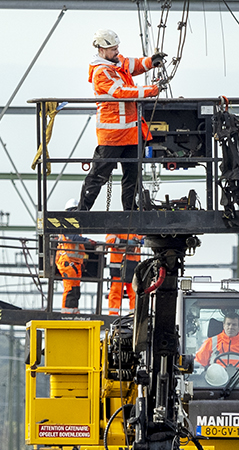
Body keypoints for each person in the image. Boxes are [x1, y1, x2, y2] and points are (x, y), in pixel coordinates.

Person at [77, 29, 164, 211]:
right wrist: (151, 90)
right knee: (99, 175)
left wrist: (151, 61)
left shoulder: (117, 62)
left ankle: (130, 211)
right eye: (113, 49)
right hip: (113, 135)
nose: (117, 52)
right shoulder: (101, 72)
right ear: (101, 50)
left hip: (131, 133)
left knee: (132, 175)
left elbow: (135, 64)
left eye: (117, 48)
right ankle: (82, 211)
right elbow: (121, 92)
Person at [193, 311, 239, 385]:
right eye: (228, 324)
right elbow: (199, 363)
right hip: (215, 383)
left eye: (234, 325)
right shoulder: (211, 342)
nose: (230, 327)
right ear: (224, 325)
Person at [105, 232, 144, 312]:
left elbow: (144, 238)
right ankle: (113, 314)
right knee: (116, 291)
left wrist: (139, 241)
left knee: (135, 292)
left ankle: (134, 314)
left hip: (133, 265)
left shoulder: (137, 227)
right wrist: (127, 243)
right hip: (118, 266)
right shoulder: (117, 228)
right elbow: (109, 240)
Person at [55, 232, 94, 310]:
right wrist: (87, 240)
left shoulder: (75, 231)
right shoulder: (67, 229)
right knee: (70, 287)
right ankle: (66, 310)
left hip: (75, 263)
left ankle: (73, 309)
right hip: (67, 262)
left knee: (76, 288)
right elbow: (73, 237)